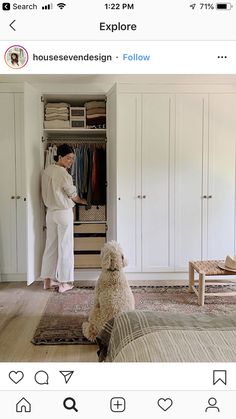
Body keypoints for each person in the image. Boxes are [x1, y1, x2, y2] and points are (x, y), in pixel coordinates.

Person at [40, 143, 87, 293]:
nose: (71, 161)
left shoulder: (47, 170)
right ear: (59, 157)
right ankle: (64, 283)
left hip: (50, 213)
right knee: (65, 247)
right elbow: (73, 195)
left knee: (51, 246)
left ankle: (47, 280)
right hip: (63, 213)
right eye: (68, 158)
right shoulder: (64, 174)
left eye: (72, 159)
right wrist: (83, 201)